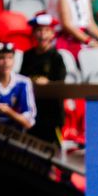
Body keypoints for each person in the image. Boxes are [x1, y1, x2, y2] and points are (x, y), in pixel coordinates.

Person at [19, 13, 67, 145]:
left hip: (52, 115)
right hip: (32, 111)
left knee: (53, 150)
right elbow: (22, 78)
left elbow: (60, 84)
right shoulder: (27, 56)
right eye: (39, 30)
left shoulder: (56, 58)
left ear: (52, 34)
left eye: (46, 31)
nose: (43, 35)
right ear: (34, 34)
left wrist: (47, 84)